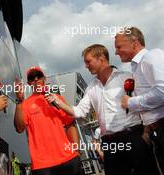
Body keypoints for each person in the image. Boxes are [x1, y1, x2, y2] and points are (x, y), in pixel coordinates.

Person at [45, 44, 160, 175]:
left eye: (88, 62)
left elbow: (143, 103)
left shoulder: (126, 77)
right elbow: (79, 112)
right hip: (109, 143)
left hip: (134, 137)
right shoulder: (91, 88)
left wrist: (145, 132)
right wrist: (58, 102)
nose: (86, 66)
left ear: (101, 58)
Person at [14, 67, 83, 175]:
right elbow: (19, 128)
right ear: (29, 83)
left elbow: (70, 124)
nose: (36, 79)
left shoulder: (57, 98)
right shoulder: (25, 104)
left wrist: (77, 151)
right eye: (32, 78)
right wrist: (19, 101)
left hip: (69, 159)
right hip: (43, 165)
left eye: (38, 76)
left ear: (44, 78)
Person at [115, 26, 164, 173]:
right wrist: (148, 128)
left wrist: (131, 102)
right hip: (157, 131)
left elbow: (162, 91)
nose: (116, 52)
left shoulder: (151, 57)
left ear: (134, 43)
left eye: (119, 46)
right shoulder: (137, 66)